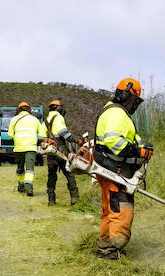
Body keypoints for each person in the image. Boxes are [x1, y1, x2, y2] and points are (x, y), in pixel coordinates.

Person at [92, 79, 151, 258]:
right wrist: (139, 151)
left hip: (109, 169)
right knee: (120, 210)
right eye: (136, 101)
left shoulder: (112, 111)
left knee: (110, 210)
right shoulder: (117, 114)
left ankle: (105, 245)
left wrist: (142, 148)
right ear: (129, 96)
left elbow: (127, 138)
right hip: (115, 171)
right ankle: (113, 249)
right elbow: (114, 141)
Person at [43, 98, 80, 206]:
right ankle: (74, 199)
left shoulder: (46, 120)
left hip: (50, 152)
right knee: (69, 173)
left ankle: (51, 200)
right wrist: (77, 140)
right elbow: (64, 133)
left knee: (51, 175)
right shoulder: (59, 117)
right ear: (58, 108)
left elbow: (41, 137)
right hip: (61, 150)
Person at [9, 102, 42, 196]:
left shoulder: (14, 119)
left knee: (20, 168)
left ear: (18, 110)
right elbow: (41, 133)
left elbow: (10, 135)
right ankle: (29, 189)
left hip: (18, 148)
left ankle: (21, 186)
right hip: (31, 148)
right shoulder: (35, 119)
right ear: (29, 110)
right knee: (29, 169)